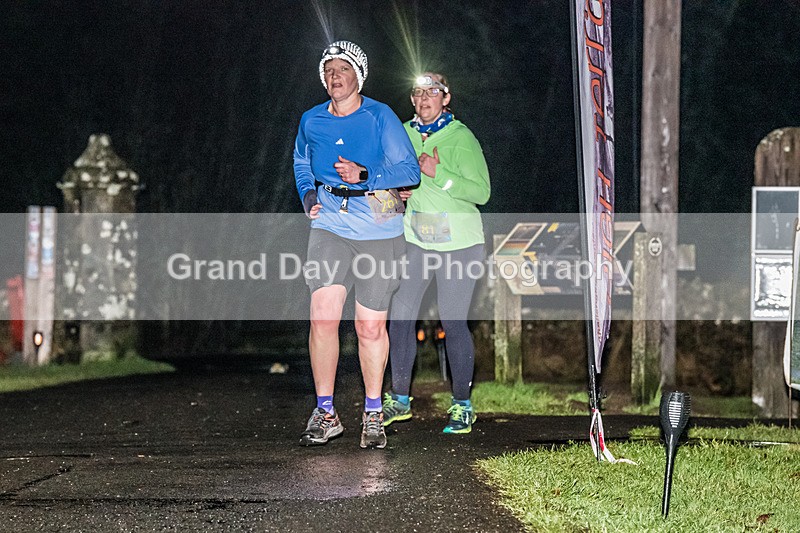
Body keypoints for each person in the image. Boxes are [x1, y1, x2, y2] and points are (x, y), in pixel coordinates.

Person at [293, 41, 420, 448]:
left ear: (359, 77)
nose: (335, 76)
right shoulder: (312, 119)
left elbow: (410, 171)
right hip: (330, 223)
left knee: (369, 326)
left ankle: (373, 412)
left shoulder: (380, 116)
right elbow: (301, 161)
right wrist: (308, 195)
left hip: (378, 225)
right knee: (322, 318)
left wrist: (365, 175)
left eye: (343, 69)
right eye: (328, 70)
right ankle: (326, 412)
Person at [383, 72, 490, 434]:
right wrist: (396, 193)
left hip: (459, 244)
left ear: (446, 98)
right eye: (418, 92)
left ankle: (462, 405)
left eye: (432, 92)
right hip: (416, 240)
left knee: (453, 320)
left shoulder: (461, 137)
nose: (424, 98)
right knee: (400, 318)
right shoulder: (402, 133)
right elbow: (387, 181)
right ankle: (399, 399)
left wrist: (438, 173)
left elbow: (482, 192)